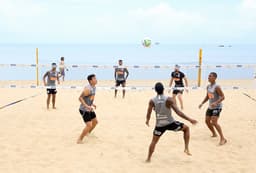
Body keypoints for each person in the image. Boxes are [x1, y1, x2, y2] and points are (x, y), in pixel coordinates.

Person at [145, 82, 197, 162]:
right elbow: (178, 112)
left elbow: (149, 112)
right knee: (186, 129)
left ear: (155, 90)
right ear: (163, 89)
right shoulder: (169, 99)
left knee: (154, 142)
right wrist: (190, 119)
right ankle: (186, 148)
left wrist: (147, 120)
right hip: (170, 123)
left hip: (159, 125)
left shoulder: (152, 101)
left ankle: (148, 158)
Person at [199, 72, 227, 145]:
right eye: (208, 76)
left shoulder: (217, 87)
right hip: (210, 107)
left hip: (217, 107)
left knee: (214, 122)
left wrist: (216, 103)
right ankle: (214, 133)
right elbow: (208, 96)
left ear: (214, 78)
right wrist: (202, 103)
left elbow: (223, 97)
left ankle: (223, 139)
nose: (208, 77)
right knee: (207, 121)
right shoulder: (208, 86)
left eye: (210, 76)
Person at [77, 74, 98, 144]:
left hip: (89, 108)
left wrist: (92, 104)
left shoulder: (94, 87)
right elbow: (80, 98)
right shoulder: (88, 89)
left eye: (96, 78)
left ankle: (87, 133)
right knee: (89, 125)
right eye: (94, 79)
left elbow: (89, 98)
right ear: (90, 81)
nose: (96, 79)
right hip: (84, 109)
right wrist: (86, 106)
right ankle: (79, 139)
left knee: (95, 122)